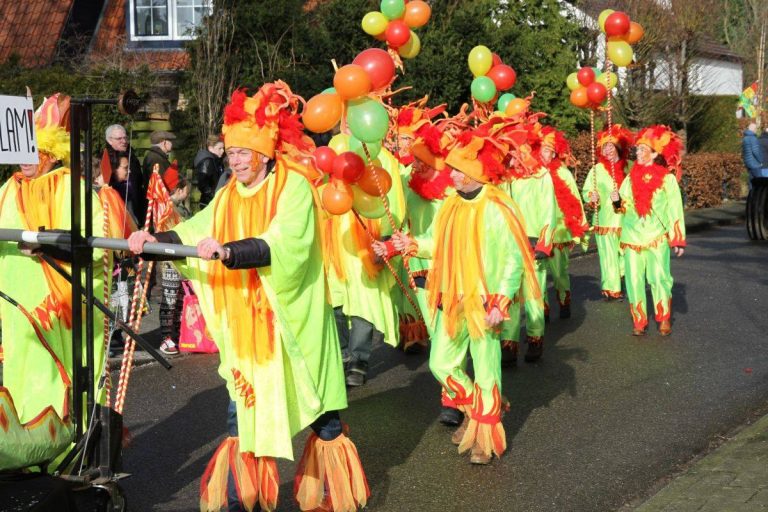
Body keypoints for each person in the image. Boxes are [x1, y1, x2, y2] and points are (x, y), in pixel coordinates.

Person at [128, 83, 368, 512]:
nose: (236, 161)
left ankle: (335, 492)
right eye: (232, 153)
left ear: (263, 154)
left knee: (320, 412)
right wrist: (155, 239)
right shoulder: (227, 195)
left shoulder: (293, 188)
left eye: (244, 153)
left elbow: (286, 243)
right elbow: (195, 229)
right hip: (248, 331)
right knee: (243, 409)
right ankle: (246, 497)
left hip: (292, 325)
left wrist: (231, 251)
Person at [0, 93, 126, 470]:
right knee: (21, 380)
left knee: (60, 382)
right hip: (18, 312)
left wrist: (49, 249)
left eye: (33, 151)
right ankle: (25, 455)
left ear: (52, 153)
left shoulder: (69, 186)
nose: (24, 160)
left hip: (60, 313)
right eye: (20, 150)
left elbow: (92, 244)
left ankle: (65, 458)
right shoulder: (7, 189)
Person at [425, 122, 541, 465]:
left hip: (485, 303)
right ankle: (480, 410)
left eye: (458, 171)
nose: (452, 177)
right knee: (440, 364)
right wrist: (407, 244)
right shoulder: (451, 204)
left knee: (488, 369)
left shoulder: (498, 206)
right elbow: (436, 243)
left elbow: (513, 259)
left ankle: (485, 440)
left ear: (476, 174)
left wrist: (501, 301)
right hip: (454, 299)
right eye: (452, 171)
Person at [381, 117, 460, 424]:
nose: (414, 166)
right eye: (413, 161)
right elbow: (398, 222)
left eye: (421, 162)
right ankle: (455, 391)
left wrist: (413, 244)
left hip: (450, 275)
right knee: (440, 338)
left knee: (446, 339)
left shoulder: (453, 198)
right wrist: (389, 247)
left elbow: (448, 239)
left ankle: (454, 399)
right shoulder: (410, 190)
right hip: (419, 277)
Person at [497, 113, 556, 365]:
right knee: (508, 294)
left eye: (519, 149)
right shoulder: (504, 178)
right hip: (509, 244)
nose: (515, 154)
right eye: (511, 150)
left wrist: (543, 243)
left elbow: (549, 211)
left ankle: (534, 339)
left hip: (532, 243)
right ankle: (508, 345)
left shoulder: (541, 176)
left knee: (533, 295)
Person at [617, 125, 685, 336]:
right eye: (637, 150)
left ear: (655, 154)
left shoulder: (667, 179)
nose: (638, 153)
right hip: (632, 237)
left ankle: (663, 318)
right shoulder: (629, 179)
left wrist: (678, 240)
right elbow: (620, 208)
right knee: (634, 280)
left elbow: (675, 210)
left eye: (643, 150)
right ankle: (639, 321)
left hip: (657, 236)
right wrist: (614, 200)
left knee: (658, 278)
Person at [537, 126, 589, 319]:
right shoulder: (531, 174)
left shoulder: (564, 173)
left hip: (559, 231)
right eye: (542, 149)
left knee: (559, 273)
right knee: (538, 277)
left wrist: (580, 227)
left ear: (554, 153)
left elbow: (575, 199)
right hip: (538, 231)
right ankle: (542, 309)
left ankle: (563, 299)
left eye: (549, 151)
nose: (545, 154)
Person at [582, 125, 634, 300]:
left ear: (618, 147)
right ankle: (612, 289)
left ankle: (621, 274)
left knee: (627, 254)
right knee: (608, 256)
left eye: (611, 146)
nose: (608, 150)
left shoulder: (631, 167)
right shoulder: (597, 170)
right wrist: (592, 197)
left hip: (628, 220)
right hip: (605, 220)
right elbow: (587, 191)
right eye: (605, 147)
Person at [104, 124, 146, 222]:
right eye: (119, 138)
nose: (124, 141)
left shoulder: (131, 155)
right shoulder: (107, 159)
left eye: (125, 138)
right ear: (110, 140)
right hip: (118, 209)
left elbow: (138, 180)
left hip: (135, 206)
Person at [193, 134, 225, 208]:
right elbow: (202, 183)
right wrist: (213, 196)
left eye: (223, 148)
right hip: (209, 203)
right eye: (220, 148)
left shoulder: (217, 160)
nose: (222, 151)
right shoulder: (207, 162)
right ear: (211, 148)